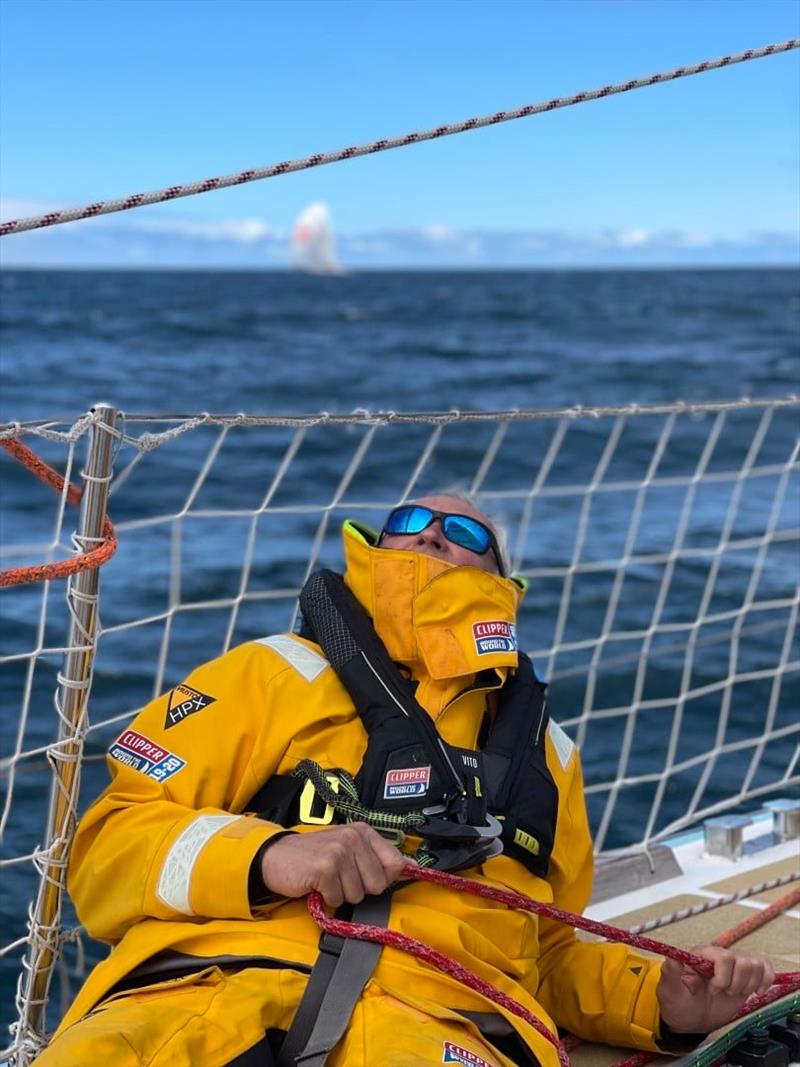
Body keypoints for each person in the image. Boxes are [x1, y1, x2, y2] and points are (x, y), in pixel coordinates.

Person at [37, 494, 774, 1067]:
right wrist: (263, 857)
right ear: (377, 543)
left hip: (442, 1023)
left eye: (466, 532)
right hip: (211, 988)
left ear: (501, 580)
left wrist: (663, 1001)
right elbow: (106, 846)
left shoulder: (550, 757)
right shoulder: (265, 674)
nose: (432, 532)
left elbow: (545, 952)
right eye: (411, 518)